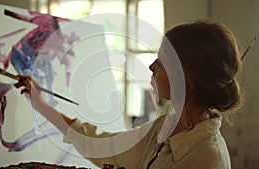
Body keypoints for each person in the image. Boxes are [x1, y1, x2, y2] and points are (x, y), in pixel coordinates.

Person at [14, 20, 242, 169]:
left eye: (161, 62)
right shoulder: (165, 127)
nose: (151, 66)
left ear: (187, 81)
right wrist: (42, 105)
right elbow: (101, 144)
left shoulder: (209, 159)